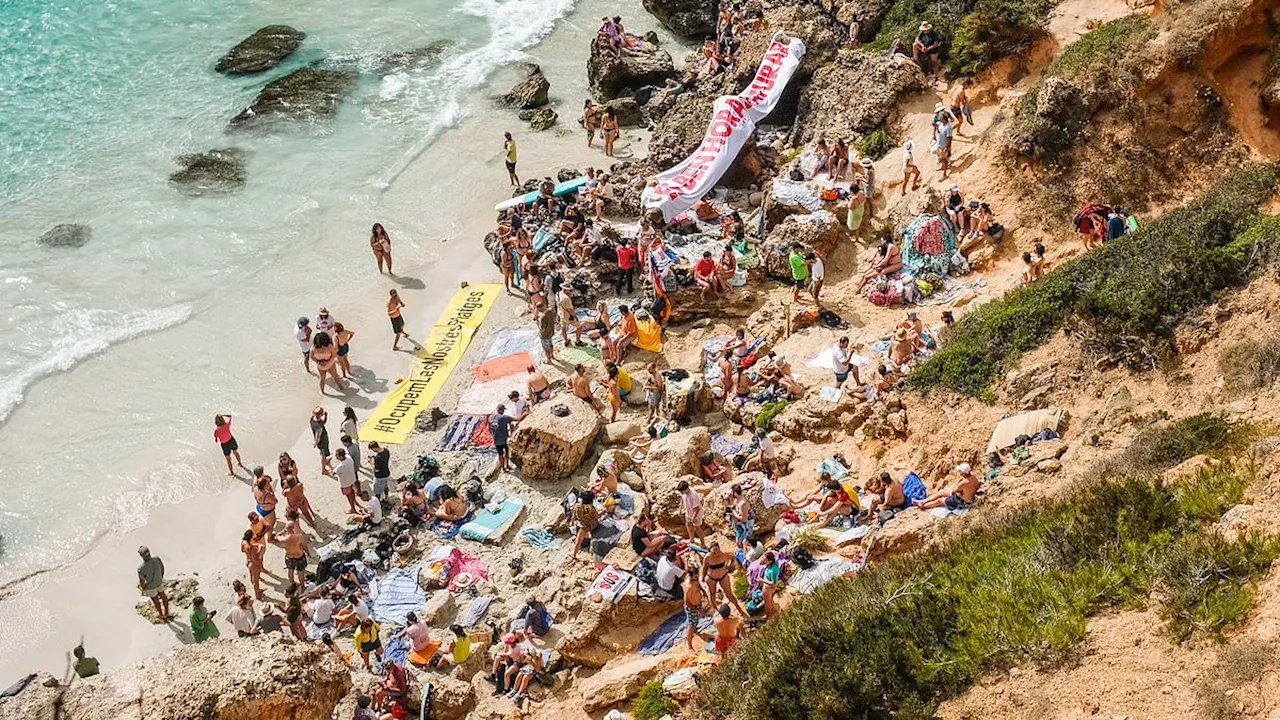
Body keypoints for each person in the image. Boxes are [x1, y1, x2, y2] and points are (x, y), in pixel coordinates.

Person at [918, 462, 982, 510]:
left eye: (960, 471)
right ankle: (922, 501)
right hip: (965, 496)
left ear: (963, 473)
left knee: (940, 501)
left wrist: (959, 482)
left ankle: (924, 506)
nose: (959, 472)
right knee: (942, 492)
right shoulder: (972, 476)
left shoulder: (963, 483)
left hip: (962, 502)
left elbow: (954, 491)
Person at [136, 546, 170, 621]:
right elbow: (162, 568)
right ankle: (167, 612)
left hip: (151, 587)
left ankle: (161, 614)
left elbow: (142, 582)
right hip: (159, 582)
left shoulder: (141, 569)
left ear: (141, 556)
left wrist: (143, 588)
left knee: (156, 601)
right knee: (164, 597)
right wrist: (160, 577)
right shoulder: (157, 559)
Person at [570, 489, 600, 562]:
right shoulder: (591, 508)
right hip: (593, 525)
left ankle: (574, 555)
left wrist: (573, 523)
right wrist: (604, 511)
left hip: (584, 526)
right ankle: (592, 554)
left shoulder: (577, 506)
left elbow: (573, 517)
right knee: (593, 539)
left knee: (578, 540)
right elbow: (597, 516)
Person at [677, 479, 707, 547]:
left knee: (697, 528)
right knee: (688, 525)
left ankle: (703, 544)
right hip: (688, 511)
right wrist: (680, 509)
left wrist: (693, 518)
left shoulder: (693, 495)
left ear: (686, 489)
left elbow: (697, 509)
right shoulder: (683, 493)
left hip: (696, 514)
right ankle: (691, 540)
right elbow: (682, 499)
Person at [282, 515, 309, 585]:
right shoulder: (299, 537)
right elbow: (304, 546)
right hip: (299, 556)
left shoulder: (284, 539)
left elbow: (276, 537)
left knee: (290, 571)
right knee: (301, 572)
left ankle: (292, 584)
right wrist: (308, 553)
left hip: (289, 556)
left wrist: (281, 533)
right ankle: (302, 586)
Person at [332, 447, 360, 513]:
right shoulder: (349, 458)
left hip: (345, 483)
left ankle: (353, 508)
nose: (336, 457)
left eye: (337, 455)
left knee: (349, 496)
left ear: (341, 456)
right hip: (351, 479)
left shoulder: (341, 466)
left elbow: (334, 472)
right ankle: (355, 502)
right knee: (352, 492)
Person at [490, 403, 516, 472]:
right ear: (502, 410)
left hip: (496, 439)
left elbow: (489, 428)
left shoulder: (491, 417)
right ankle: (507, 465)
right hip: (504, 438)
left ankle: (503, 468)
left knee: (500, 454)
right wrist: (525, 414)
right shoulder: (504, 417)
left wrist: (493, 435)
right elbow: (516, 419)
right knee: (507, 452)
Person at [730, 484, 754, 554]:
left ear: (735, 493)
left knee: (744, 542)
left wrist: (734, 513)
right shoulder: (736, 500)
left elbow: (744, 519)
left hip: (745, 525)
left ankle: (746, 555)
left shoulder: (743, 503)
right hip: (738, 524)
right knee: (738, 541)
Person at [311, 406, 333, 476]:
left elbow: (323, 422)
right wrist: (315, 443)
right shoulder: (319, 425)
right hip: (323, 441)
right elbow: (318, 436)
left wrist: (325, 416)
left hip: (320, 440)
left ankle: (325, 461)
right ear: (321, 414)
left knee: (323, 453)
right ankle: (323, 469)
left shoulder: (312, 419)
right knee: (323, 455)